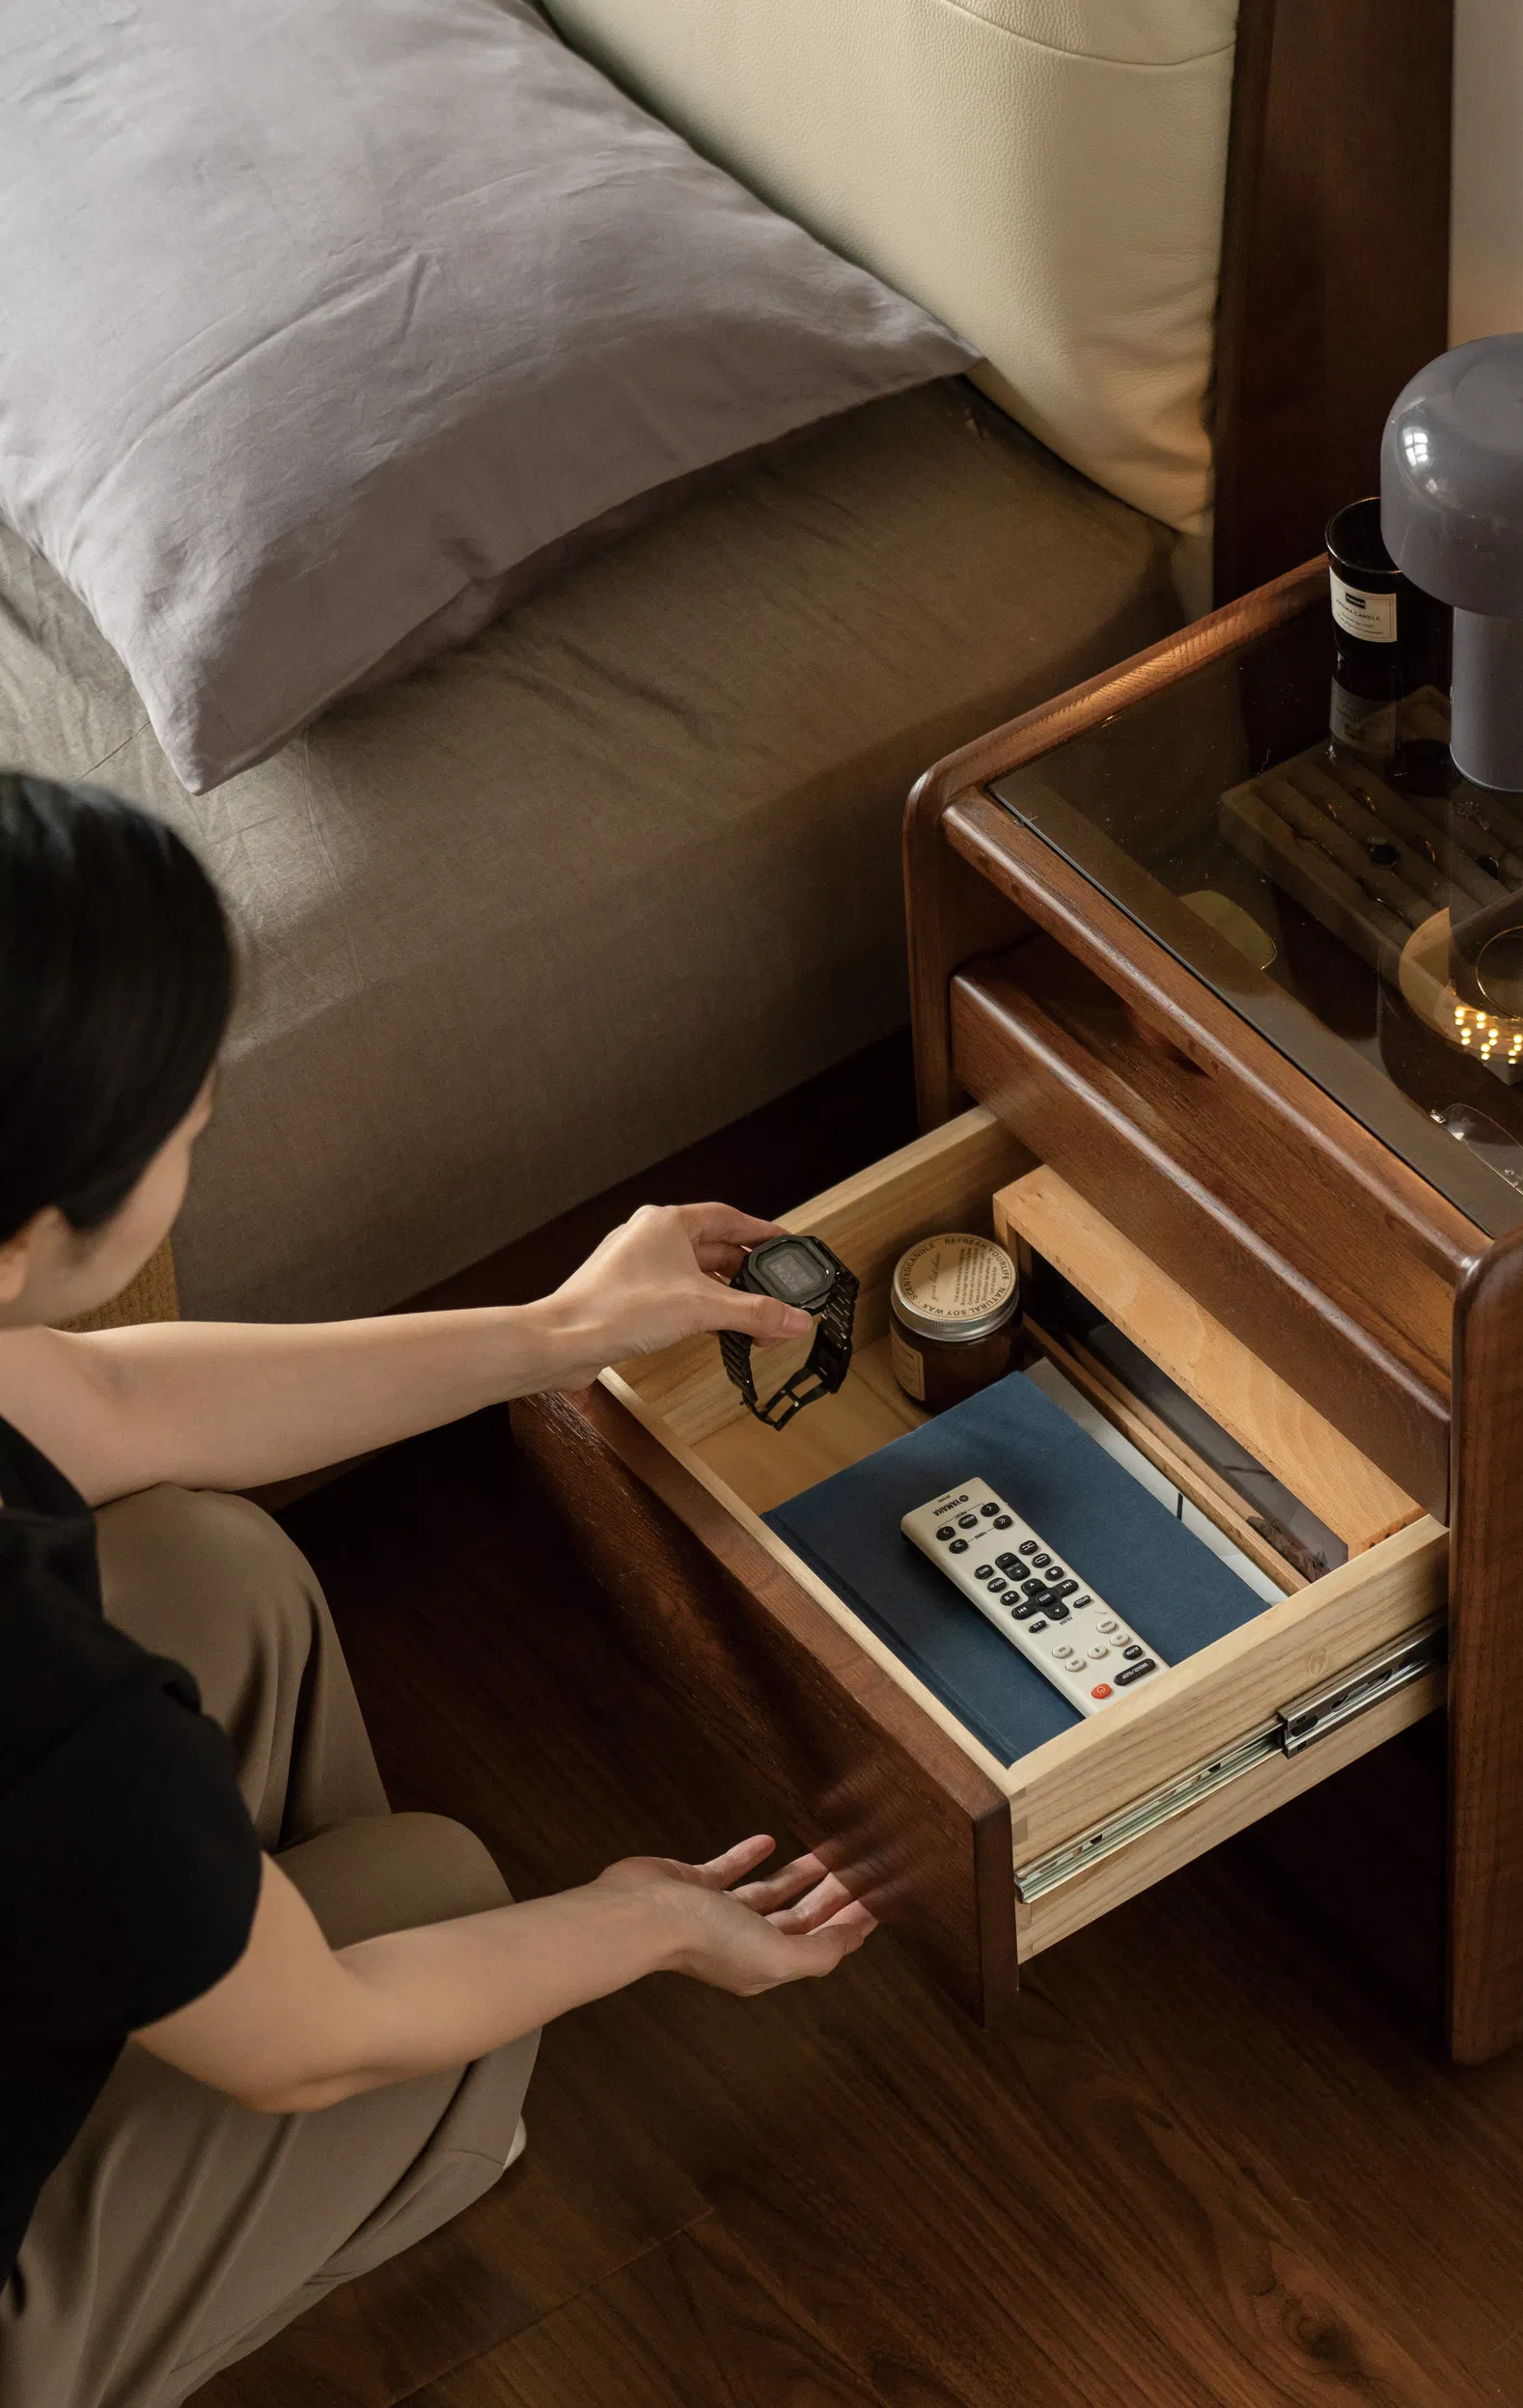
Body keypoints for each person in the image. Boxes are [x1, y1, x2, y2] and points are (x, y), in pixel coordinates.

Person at [0, 773, 875, 2408]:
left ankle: (222, 1967)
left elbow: (112, 1406)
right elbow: (313, 2036)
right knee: (447, 1903)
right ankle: (372, 2118)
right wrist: (653, 1920)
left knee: (210, 1565)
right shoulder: (40, 1698)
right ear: (38, 1227)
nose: (203, 1124)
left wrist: (558, 1329)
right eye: (186, 1126)